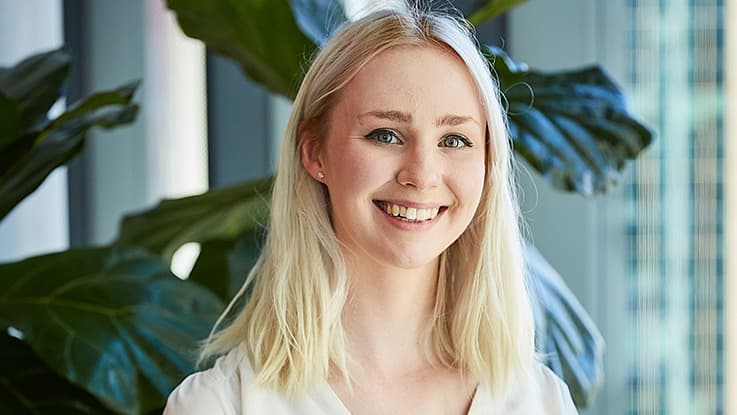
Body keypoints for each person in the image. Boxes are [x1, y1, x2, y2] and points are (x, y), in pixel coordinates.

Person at [164, 3, 577, 414]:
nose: (422, 174)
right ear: (315, 153)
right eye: (386, 135)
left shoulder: (539, 401)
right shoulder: (219, 405)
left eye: (454, 140)